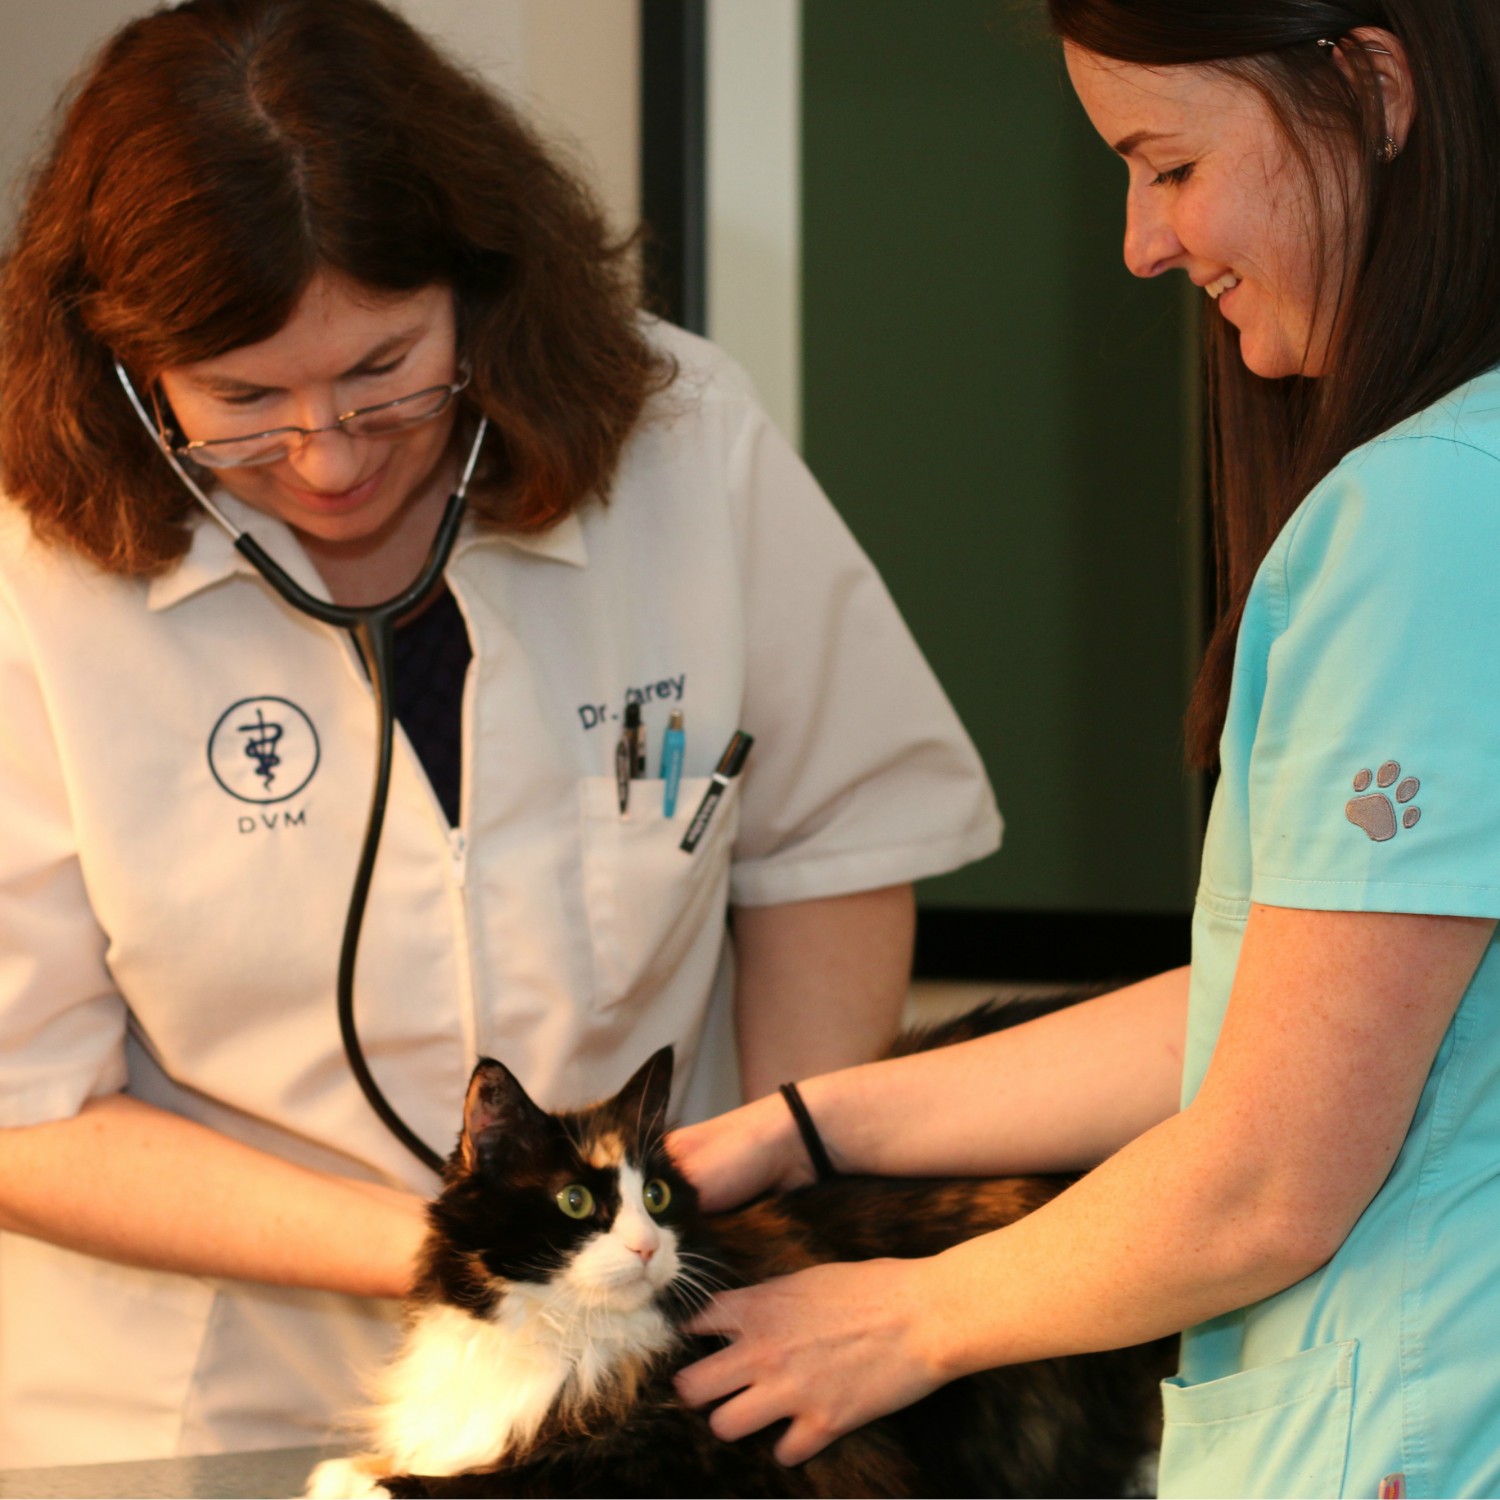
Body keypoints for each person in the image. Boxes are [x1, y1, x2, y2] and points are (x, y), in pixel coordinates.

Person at [0, 0, 1001, 1468]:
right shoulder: (31, 569)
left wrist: (779, 1234)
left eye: (383, 371)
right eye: (243, 401)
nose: (327, 455)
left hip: (646, 1372)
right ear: (127, 370)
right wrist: (469, 1258)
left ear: (480, 294)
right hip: (202, 1399)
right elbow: (24, 1103)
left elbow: (834, 845)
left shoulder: (680, 441)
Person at [672, 3, 1500, 1495]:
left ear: (1373, 90)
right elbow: (1293, 1010)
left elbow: (1265, 1175)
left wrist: (903, 1320)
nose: (1142, 243)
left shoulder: (1431, 517)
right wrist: (809, 1129)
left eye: (1167, 165)